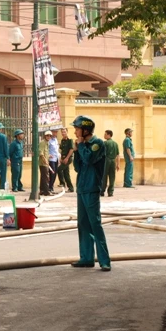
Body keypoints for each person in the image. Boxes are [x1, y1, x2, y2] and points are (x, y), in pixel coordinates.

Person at [71, 115, 111, 271]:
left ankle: (104, 260)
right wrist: (76, 151)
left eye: (77, 129)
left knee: (95, 224)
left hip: (92, 187)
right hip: (81, 187)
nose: (75, 132)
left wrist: (81, 147)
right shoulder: (83, 145)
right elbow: (78, 167)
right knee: (83, 224)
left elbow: (89, 159)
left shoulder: (97, 144)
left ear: (85, 130)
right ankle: (86, 258)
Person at [101, 130, 120, 197]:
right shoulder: (115, 144)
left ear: (109, 135)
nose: (104, 135)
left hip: (106, 160)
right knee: (112, 177)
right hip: (113, 161)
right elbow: (118, 155)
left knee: (104, 176)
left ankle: (102, 191)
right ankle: (110, 192)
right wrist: (118, 164)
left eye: (105, 134)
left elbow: (101, 153)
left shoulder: (105, 143)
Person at [39, 131, 52, 196]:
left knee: (43, 177)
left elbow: (44, 152)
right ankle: (46, 191)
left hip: (45, 162)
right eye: (47, 135)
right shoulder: (43, 142)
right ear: (45, 136)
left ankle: (42, 190)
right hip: (43, 163)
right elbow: (40, 152)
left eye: (50, 136)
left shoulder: (47, 143)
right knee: (46, 177)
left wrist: (48, 156)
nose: (49, 137)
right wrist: (45, 159)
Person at [48, 128, 60, 193]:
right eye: (54, 132)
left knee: (55, 173)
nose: (55, 133)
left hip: (56, 158)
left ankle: (51, 186)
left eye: (56, 132)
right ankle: (50, 187)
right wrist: (48, 155)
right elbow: (46, 149)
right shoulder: (49, 140)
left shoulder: (55, 140)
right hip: (51, 159)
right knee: (52, 173)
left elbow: (56, 150)